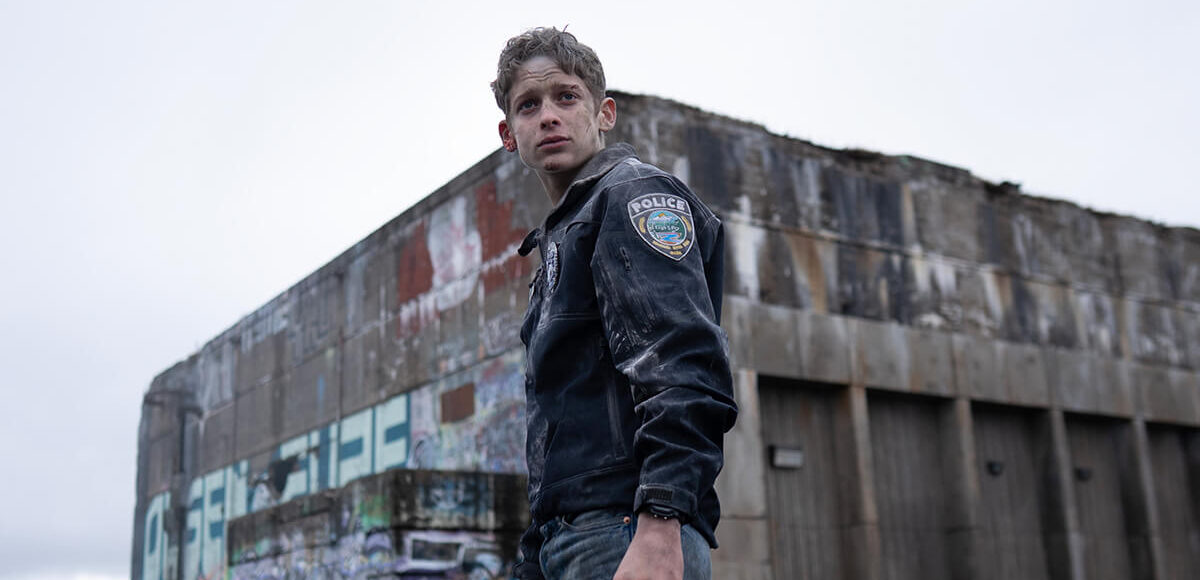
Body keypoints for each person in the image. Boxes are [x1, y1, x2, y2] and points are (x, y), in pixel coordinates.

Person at [492, 28, 737, 580]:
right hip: (572, 539)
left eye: (566, 96)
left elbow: (681, 365)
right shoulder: (561, 239)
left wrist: (661, 522)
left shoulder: (631, 196)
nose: (548, 117)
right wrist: (533, 556)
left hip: (626, 532)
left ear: (604, 113)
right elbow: (556, 429)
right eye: (529, 105)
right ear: (509, 135)